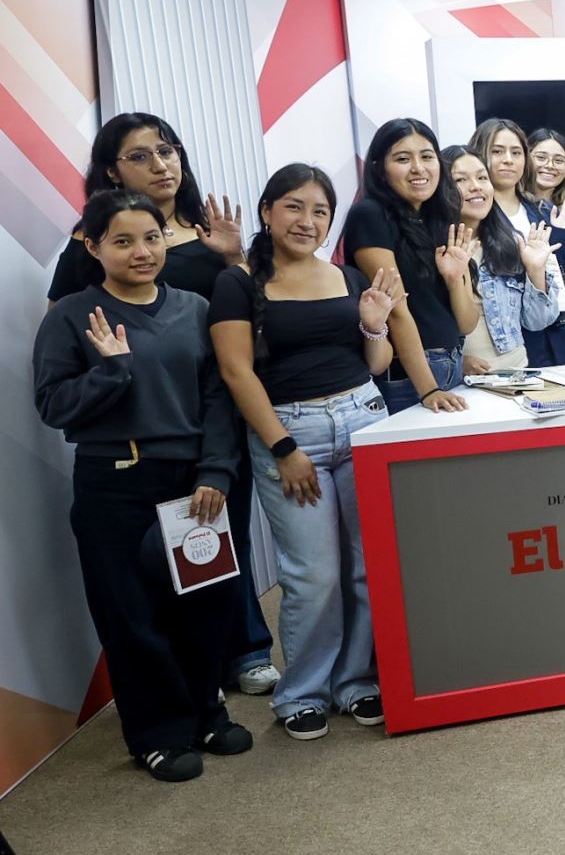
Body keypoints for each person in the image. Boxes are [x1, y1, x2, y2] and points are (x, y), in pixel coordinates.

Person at [46, 113, 277, 698]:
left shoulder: (208, 233)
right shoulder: (86, 248)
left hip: (216, 411)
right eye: (141, 155)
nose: (161, 164)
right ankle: (181, 686)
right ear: (109, 171)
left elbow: (249, 320)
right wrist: (110, 373)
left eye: (168, 150)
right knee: (142, 577)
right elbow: (62, 343)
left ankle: (239, 653)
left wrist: (231, 259)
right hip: (134, 435)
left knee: (222, 547)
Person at [34, 190, 251, 781]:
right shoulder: (73, 315)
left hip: (193, 482)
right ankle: (156, 733)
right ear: (93, 246)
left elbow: (217, 399)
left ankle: (206, 712)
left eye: (151, 238)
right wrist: (110, 371)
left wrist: (214, 471)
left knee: (205, 604)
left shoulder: (193, 307)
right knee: (132, 615)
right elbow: (53, 405)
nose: (141, 252)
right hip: (114, 482)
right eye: (123, 241)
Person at [210, 165, 404, 740]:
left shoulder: (344, 277)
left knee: (369, 567)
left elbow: (376, 365)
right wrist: (283, 447)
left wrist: (373, 326)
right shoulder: (239, 282)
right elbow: (234, 371)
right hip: (291, 434)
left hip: (363, 419)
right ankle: (303, 692)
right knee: (313, 574)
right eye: (294, 207)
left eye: (320, 211)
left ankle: (357, 683)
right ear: (268, 211)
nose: (307, 220)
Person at [342, 118, 476, 413]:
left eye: (427, 157)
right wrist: (428, 389)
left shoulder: (439, 218)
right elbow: (397, 311)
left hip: (452, 366)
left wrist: (455, 280)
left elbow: (467, 324)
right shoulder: (370, 215)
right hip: (408, 377)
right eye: (403, 159)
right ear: (379, 167)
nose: (418, 168)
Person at [473, 118, 565, 365]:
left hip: (557, 335)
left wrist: (564, 233)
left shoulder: (541, 211)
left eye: (516, 152)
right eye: (497, 151)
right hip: (505, 345)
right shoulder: (474, 215)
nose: (508, 160)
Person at [445, 146, 562, 375]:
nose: (476, 186)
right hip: (461, 386)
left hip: (517, 376)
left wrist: (535, 271)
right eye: (460, 179)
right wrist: (455, 362)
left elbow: (537, 322)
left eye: (482, 177)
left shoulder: (510, 242)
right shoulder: (437, 249)